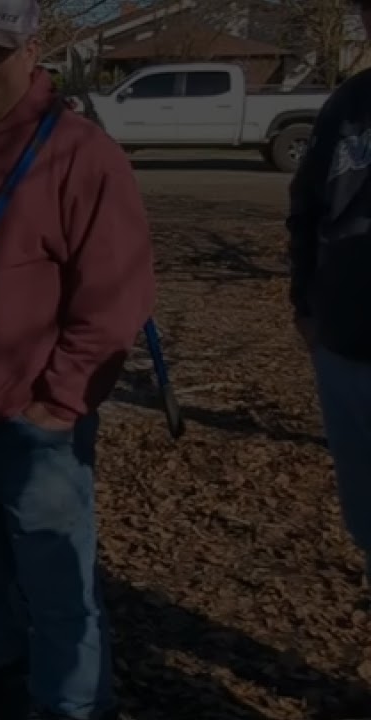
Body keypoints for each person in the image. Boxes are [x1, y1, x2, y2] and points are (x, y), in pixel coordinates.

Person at [0, 2, 155, 719]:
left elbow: (115, 297)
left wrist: (56, 405)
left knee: (59, 585)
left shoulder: (79, 154)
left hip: (33, 421)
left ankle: (71, 705)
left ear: (30, 49)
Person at [288, 0, 371, 598]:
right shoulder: (348, 106)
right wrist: (305, 307)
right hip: (345, 340)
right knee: (365, 507)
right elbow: (306, 208)